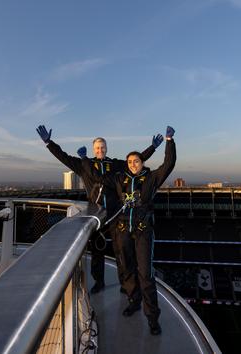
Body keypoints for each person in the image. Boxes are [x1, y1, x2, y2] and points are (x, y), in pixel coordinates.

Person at [36, 124, 163, 294]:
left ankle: (126, 285)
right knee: (97, 251)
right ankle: (99, 281)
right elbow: (64, 157)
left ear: (106, 148)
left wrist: (153, 148)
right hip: (95, 214)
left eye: (103, 147)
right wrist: (49, 143)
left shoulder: (115, 164)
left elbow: (135, 161)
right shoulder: (83, 164)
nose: (100, 150)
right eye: (97, 148)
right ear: (93, 150)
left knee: (121, 251)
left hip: (115, 214)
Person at [83, 126, 176, 335]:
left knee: (145, 273)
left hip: (143, 231)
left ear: (141, 163)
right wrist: (86, 161)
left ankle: (152, 317)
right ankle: (133, 301)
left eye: (137, 161)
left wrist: (169, 141)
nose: (133, 164)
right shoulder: (119, 178)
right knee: (127, 269)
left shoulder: (151, 178)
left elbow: (168, 164)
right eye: (130, 161)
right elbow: (98, 177)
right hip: (123, 229)